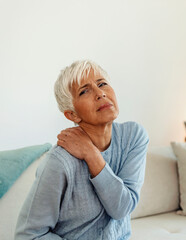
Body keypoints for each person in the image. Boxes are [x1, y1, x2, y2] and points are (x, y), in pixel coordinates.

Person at [15, 60, 149, 239]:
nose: (100, 93)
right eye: (84, 91)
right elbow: (28, 235)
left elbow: (122, 209)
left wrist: (91, 154)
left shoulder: (133, 137)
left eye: (102, 84)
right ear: (72, 114)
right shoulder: (59, 162)